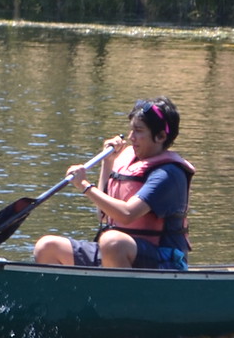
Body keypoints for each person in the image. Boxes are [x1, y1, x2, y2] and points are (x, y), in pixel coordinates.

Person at [32, 97, 194, 270]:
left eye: (138, 131)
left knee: (112, 241)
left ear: (161, 136)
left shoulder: (168, 174)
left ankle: (119, 287)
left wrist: (84, 185)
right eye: (131, 130)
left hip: (162, 259)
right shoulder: (128, 161)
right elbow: (103, 215)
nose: (131, 137)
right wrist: (107, 162)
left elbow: (126, 214)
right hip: (114, 250)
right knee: (47, 247)